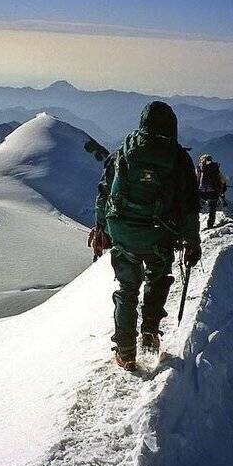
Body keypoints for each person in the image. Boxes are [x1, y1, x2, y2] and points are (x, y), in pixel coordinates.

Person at [88, 101, 201, 371]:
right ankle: (149, 330)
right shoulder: (178, 158)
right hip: (159, 233)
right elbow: (189, 205)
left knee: (127, 290)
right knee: (157, 278)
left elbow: (104, 192)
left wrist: (101, 226)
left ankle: (125, 353)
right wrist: (192, 241)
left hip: (123, 232)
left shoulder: (124, 152)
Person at [196, 153, 227, 229]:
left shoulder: (199, 168)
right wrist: (223, 188)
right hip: (213, 191)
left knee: (196, 208)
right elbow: (223, 180)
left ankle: (195, 225)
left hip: (201, 192)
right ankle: (210, 225)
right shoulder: (214, 168)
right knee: (212, 208)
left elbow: (195, 179)